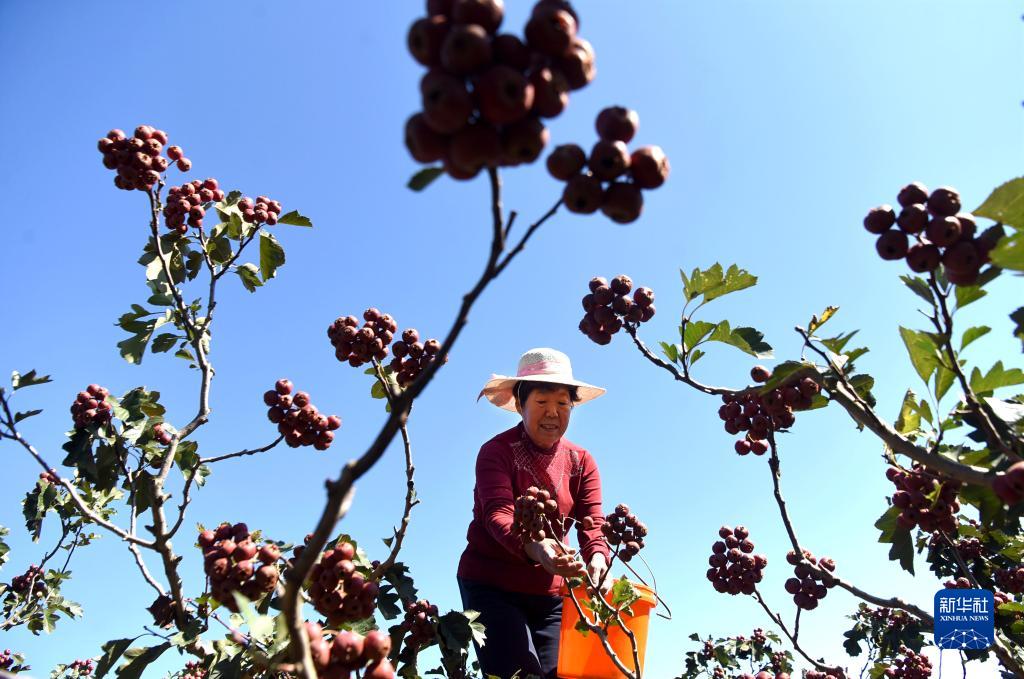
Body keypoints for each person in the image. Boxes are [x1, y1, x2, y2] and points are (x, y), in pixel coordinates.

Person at [457, 348, 611, 679]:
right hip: (490, 583)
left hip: (551, 593)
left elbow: (593, 524)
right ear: (520, 405)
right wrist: (536, 549)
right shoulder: (495, 453)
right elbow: (498, 515)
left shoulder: (582, 462)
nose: (553, 413)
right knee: (519, 673)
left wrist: (597, 559)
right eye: (542, 403)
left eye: (562, 404)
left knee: (560, 673)